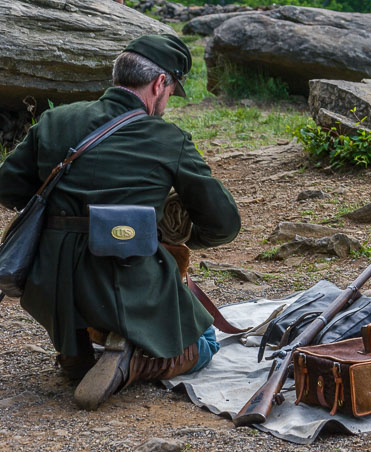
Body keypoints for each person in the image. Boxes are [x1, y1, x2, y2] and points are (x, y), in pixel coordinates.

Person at [0, 34, 241, 408]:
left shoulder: (55, 120)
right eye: (171, 91)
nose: (167, 104)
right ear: (160, 83)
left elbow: (8, 188)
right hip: (124, 279)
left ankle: (75, 351)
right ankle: (134, 362)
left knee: (80, 271)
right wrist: (179, 237)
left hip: (49, 284)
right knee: (206, 342)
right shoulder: (167, 137)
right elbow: (224, 222)